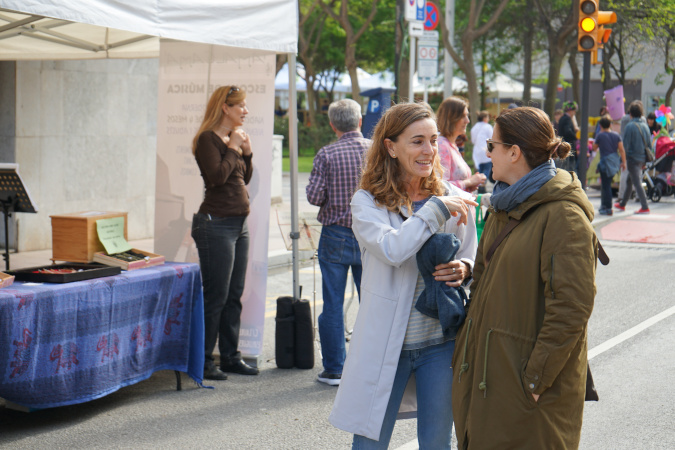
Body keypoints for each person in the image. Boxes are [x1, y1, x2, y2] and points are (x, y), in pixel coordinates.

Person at [329, 102, 478, 449]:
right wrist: (434, 211)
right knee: (369, 443)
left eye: (433, 139)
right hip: (386, 347)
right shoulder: (367, 203)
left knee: (436, 442)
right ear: (391, 147)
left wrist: (465, 268)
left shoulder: (451, 197)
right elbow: (394, 250)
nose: (429, 150)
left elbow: (473, 251)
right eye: (417, 141)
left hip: (441, 344)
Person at [452, 106, 598, 449]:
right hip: (493, 375)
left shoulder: (563, 215)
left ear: (514, 152)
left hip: (525, 387)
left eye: (492, 145)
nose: (487, 153)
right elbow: (490, 279)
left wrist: (535, 380)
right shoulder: (507, 203)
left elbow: (572, 306)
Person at [191, 85, 259, 380]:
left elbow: (242, 178)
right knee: (216, 296)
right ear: (225, 108)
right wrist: (233, 147)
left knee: (234, 294)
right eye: (240, 106)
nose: (245, 111)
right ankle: (204, 361)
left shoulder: (233, 139)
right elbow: (217, 178)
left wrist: (248, 153)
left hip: (237, 225)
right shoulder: (207, 139)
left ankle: (230, 356)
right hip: (215, 224)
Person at [306, 99, 370, 386]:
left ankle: (334, 368)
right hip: (371, 234)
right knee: (372, 301)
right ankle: (371, 366)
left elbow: (314, 197)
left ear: (332, 125)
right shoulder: (376, 151)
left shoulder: (326, 154)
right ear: (360, 120)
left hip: (335, 234)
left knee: (332, 303)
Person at [437, 97, 487, 192]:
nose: (467, 121)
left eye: (467, 116)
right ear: (451, 118)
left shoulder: (451, 145)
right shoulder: (442, 146)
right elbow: (441, 187)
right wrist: (469, 182)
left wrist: (469, 185)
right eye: (463, 116)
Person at [615, 100, 651, 214]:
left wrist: (622, 160)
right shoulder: (645, 126)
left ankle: (645, 206)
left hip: (632, 158)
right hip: (641, 158)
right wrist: (646, 160)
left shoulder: (630, 126)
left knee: (636, 182)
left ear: (630, 113)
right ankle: (622, 204)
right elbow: (649, 145)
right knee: (630, 180)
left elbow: (625, 145)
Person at [593, 116, 627, 215]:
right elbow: (621, 150)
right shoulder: (616, 135)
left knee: (606, 185)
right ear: (610, 124)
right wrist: (624, 162)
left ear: (600, 126)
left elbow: (594, 148)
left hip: (605, 163)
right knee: (606, 184)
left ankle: (607, 207)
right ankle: (604, 206)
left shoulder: (600, 136)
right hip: (614, 163)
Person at [470, 110, 494, 193]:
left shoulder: (474, 127)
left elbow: (473, 140)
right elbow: (492, 139)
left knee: (479, 169)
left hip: (477, 151)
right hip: (485, 150)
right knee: (487, 168)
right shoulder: (488, 127)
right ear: (484, 118)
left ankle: (479, 185)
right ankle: (483, 185)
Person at [557, 101, 578, 174]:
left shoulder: (562, 118)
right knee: (570, 167)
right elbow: (567, 131)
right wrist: (575, 136)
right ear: (571, 111)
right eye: (574, 111)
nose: (574, 113)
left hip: (562, 143)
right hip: (568, 145)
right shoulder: (567, 119)